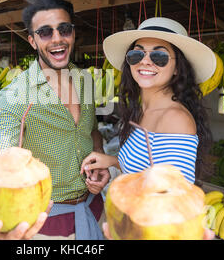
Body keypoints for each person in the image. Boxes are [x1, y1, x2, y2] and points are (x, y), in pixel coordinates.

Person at [0, 0, 110, 240]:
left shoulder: (85, 81)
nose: (57, 38)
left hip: (93, 208)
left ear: (73, 33)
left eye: (64, 29)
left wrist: (98, 159)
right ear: (32, 41)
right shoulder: (16, 95)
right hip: (47, 225)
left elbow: (91, 132)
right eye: (45, 32)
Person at [80, 17, 216, 239]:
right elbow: (149, 172)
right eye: (137, 53)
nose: (145, 61)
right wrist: (113, 162)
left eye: (159, 56)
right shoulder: (142, 111)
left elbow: (170, 203)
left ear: (176, 69)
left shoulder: (175, 119)